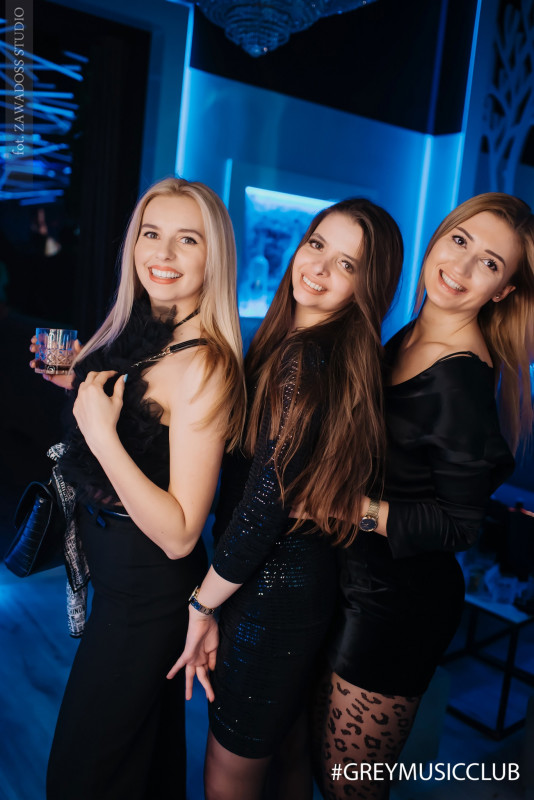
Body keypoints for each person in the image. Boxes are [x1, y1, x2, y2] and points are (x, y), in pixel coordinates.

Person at [168, 198, 405, 800]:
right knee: (286, 751)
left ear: (367, 287)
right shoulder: (307, 349)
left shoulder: (304, 358)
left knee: (229, 774)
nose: (318, 267)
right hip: (296, 584)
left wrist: (201, 607)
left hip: (268, 592)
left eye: (347, 264)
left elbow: (261, 509)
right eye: (317, 243)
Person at [30, 177, 246, 800]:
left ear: (214, 258)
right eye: (152, 234)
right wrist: (81, 382)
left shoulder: (205, 364)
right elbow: (141, 423)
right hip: (119, 584)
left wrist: (101, 434)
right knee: (139, 768)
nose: (163, 253)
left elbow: (181, 535)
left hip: (148, 599)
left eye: (187, 240)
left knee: (82, 777)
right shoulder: (144, 330)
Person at [317, 192, 534, 800]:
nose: (460, 267)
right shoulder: (412, 334)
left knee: (349, 787)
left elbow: (461, 526)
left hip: (397, 607)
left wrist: (347, 507)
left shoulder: (461, 378)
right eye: (459, 240)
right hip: (355, 579)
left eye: (489, 263)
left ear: (503, 291)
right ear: (438, 237)